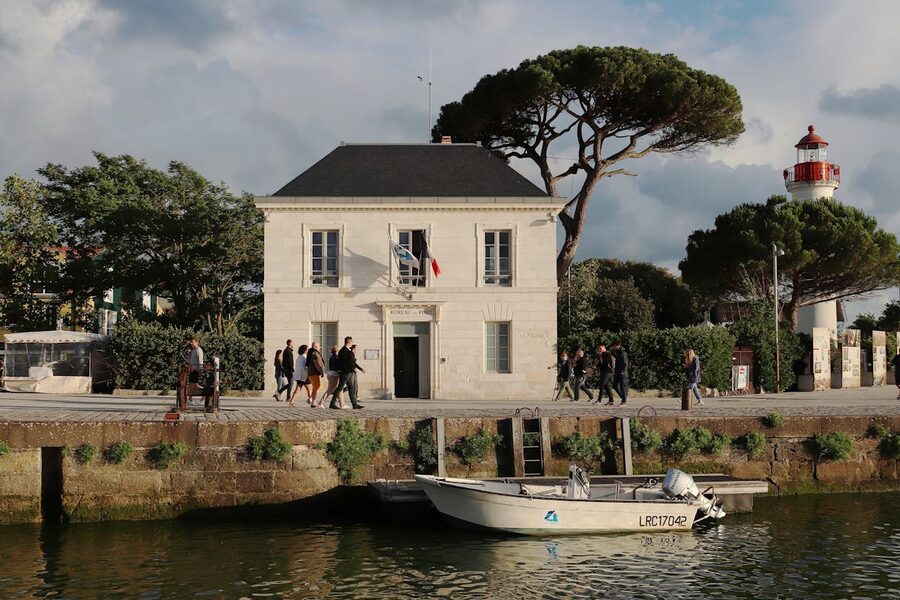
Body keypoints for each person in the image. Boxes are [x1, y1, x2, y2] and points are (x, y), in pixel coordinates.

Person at [330, 336, 365, 410]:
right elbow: (343, 363)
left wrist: (356, 368)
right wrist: (347, 370)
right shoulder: (343, 351)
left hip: (348, 373)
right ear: (349, 342)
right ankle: (332, 403)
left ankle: (354, 404)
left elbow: (351, 362)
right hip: (345, 373)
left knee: (351, 389)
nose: (352, 343)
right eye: (351, 342)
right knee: (340, 388)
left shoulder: (347, 351)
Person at [306, 342, 326, 407]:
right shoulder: (314, 353)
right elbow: (316, 363)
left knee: (316, 387)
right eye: (318, 346)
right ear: (316, 347)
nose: (319, 348)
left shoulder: (312, 352)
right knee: (316, 387)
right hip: (314, 373)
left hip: (312, 373)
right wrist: (321, 371)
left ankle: (311, 400)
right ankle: (313, 401)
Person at [611, 340, 629, 406]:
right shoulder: (617, 352)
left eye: (614, 346)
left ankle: (624, 401)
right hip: (617, 372)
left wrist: (623, 372)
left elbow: (625, 363)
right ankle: (623, 397)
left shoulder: (623, 353)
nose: (613, 347)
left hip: (622, 373)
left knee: (622, 386)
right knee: (615, 386)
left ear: (618, 345)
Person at [187, 337, 204, 403]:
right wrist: (189, 354)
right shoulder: (193, 350)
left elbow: (200, 361)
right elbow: (190, 361)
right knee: (191, 385)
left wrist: (200, 370)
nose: (191, 343)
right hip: (192, 370)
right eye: (191, 342)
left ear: (197, 342)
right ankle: (190, 399)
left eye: (193, 342)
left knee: (195, 385)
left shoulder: (199, 350)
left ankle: (204, 395)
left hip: (195, 370)